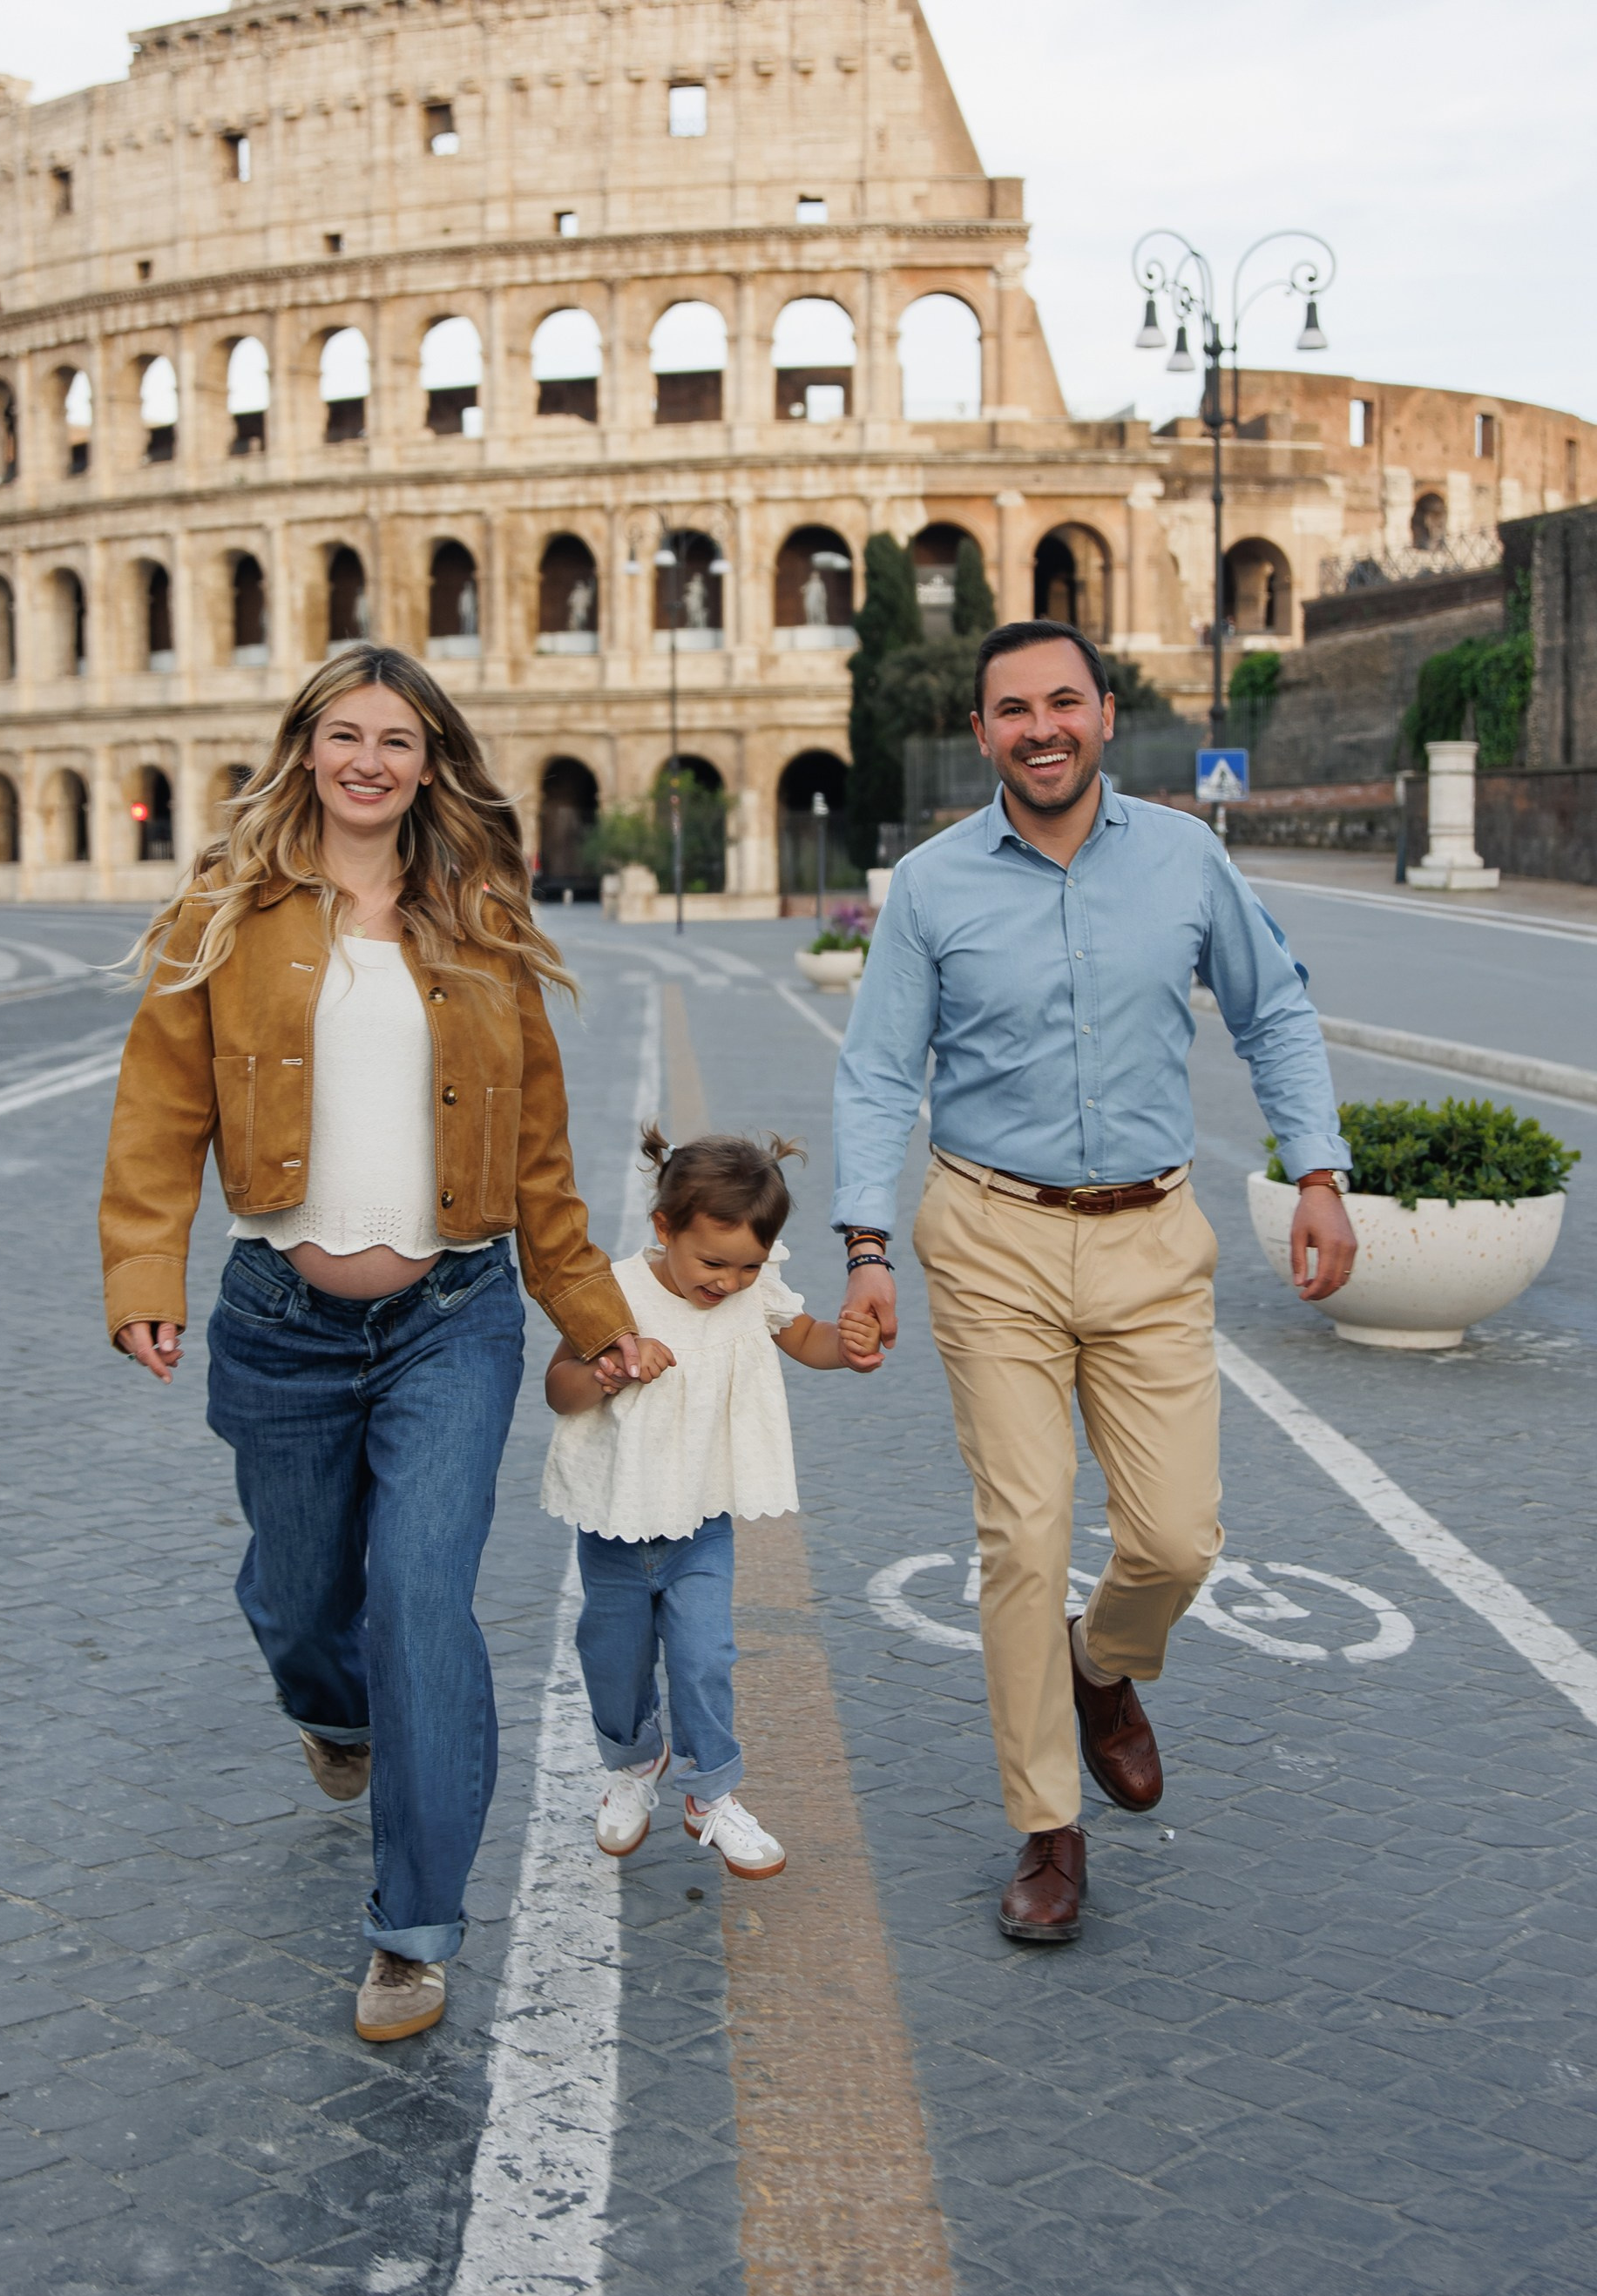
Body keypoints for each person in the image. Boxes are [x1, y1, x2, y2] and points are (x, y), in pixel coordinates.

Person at [98, 645, 650, 2045]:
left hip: (447, 1322)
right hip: (279, 1324)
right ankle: (326, 1709)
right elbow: (161, 1113)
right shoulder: (222, 910)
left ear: (429, 762)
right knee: (298, 1603)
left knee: (419, 1602)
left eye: (396, 740)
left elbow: (537, 1154)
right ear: (305, 749)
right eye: (345, 735)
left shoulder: (479, 914)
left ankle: (412, 1928)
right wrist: (141, 1270)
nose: (368, 761)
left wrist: (596, 1316)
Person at [833, 620, 1357, 1945]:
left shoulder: (1184, 855)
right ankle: (1048, 1828)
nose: (1041, 726)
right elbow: (880, 1073)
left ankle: (1104, 1666)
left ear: (1106, 714)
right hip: (991, 1236)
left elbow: (1274, 1007)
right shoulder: (935, 886)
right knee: (1024, 1536)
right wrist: (866, 1245)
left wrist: (1319, 1173)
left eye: (1063, 700)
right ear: (982, 734)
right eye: (1014, 708)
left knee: (1179, 1539)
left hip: (1149, 1240)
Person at [540, 1128, 883, 1878]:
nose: (730, 1282)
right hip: (617, 1521)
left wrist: (849, 1344)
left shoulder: (756, 1290)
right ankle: (635, 1761)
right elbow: (556, 1389)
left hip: (701, 1522)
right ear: (664, 1230)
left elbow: (807, 1339)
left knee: (703, 1657)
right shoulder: (614, 1291)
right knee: (612, 1655)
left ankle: (711, 1791)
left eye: (749, 1265)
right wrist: (609, 1370)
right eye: (714, 1262)